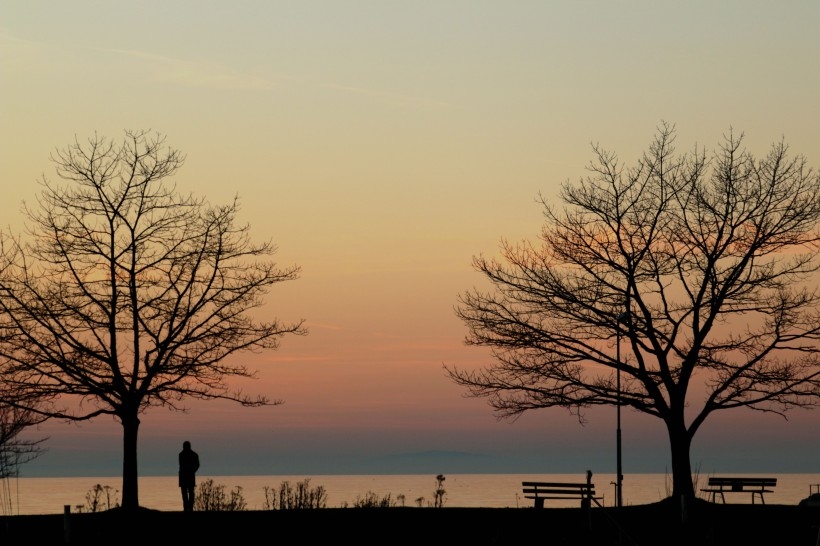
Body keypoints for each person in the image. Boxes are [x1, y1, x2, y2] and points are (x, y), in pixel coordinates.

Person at [178, 440, 200, 512]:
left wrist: (192, 471)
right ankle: (187, 508)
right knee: (187, 493)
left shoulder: (182, 455)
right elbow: (197, 465)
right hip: (186, 476)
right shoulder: (191, 455)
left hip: (186, 476)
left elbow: (197, 465)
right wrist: (192, 471)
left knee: (189, 493)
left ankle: (189, 508)